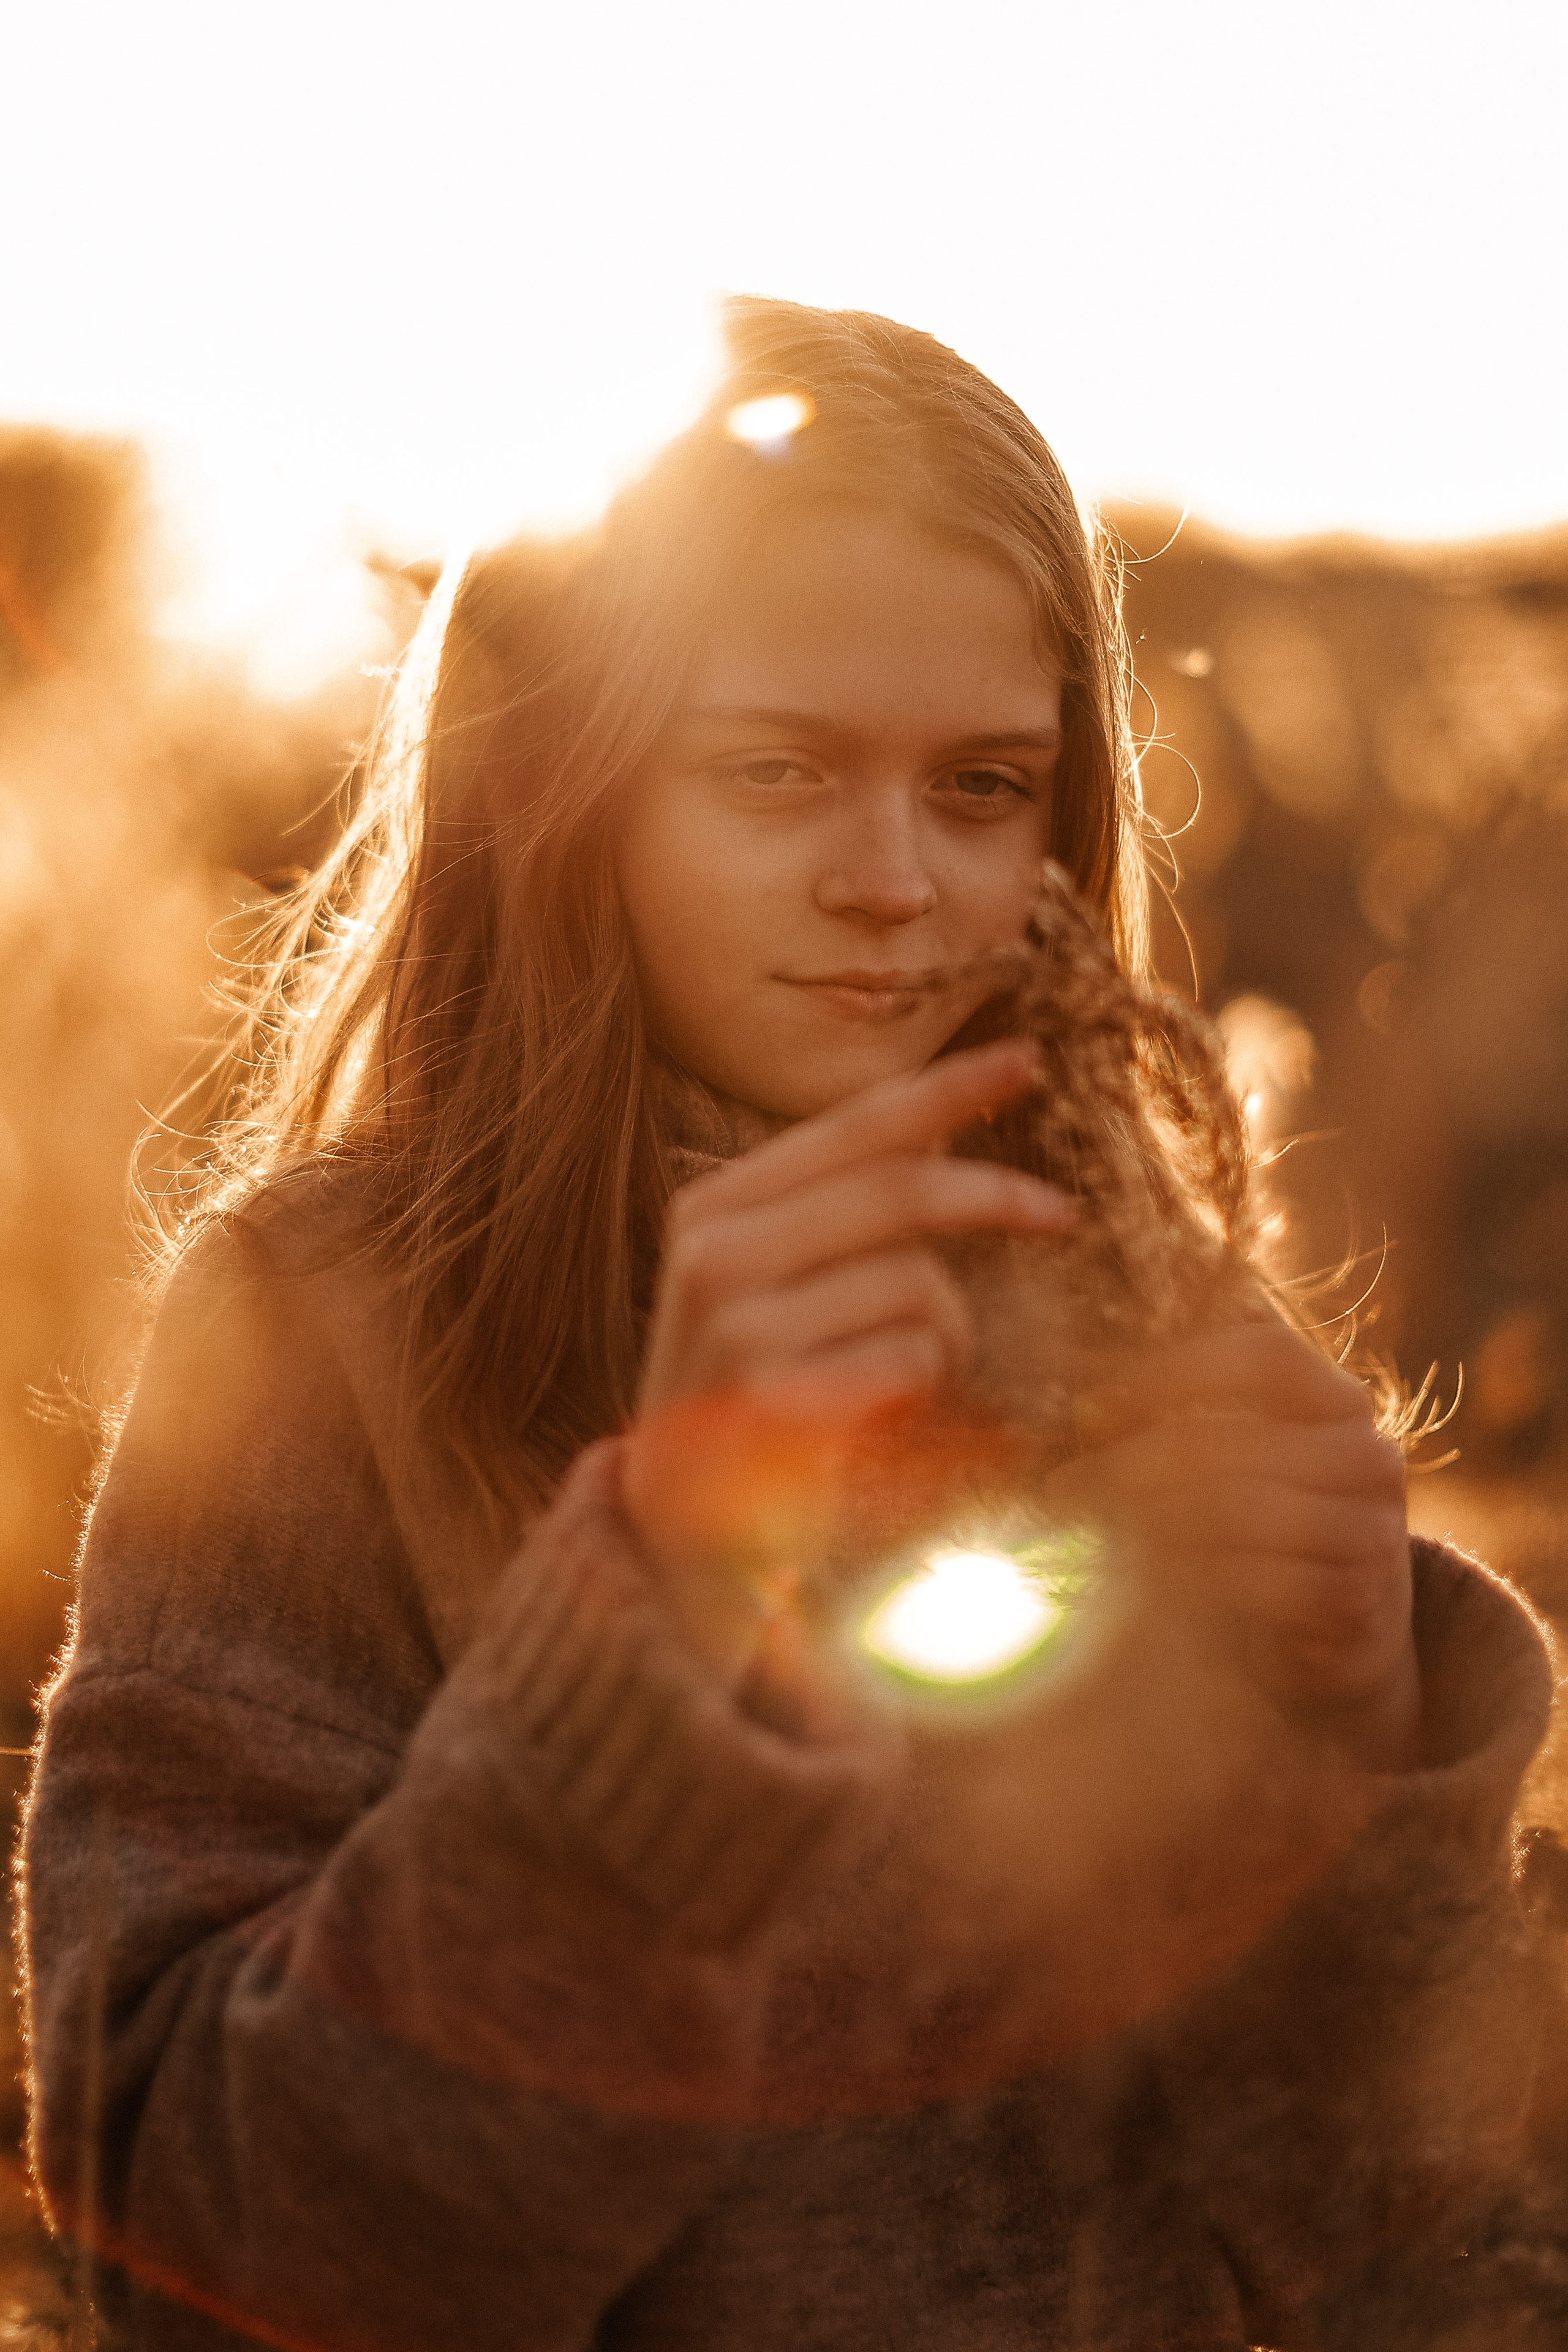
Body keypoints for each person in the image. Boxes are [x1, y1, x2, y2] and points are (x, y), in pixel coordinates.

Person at [19, 298, 1556, 2351]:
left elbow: (1361, 2233)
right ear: (570, 790)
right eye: (779, 771)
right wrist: (651, 1638)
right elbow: (195, 2239)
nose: (897, 879)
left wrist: (1358, 1733)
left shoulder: (1132, 1309)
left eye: (987, 785)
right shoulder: (334, 1324)